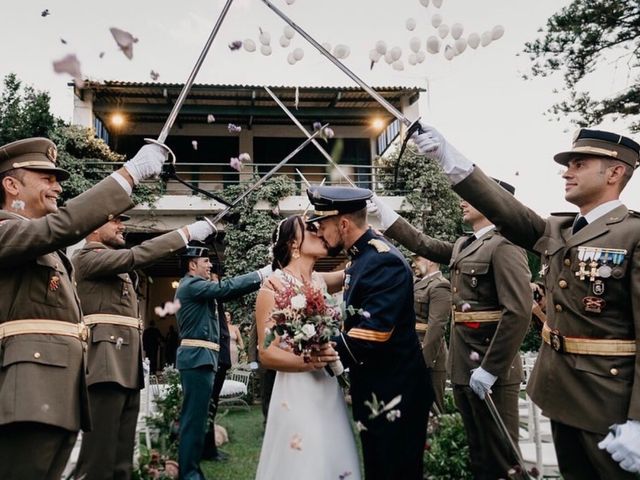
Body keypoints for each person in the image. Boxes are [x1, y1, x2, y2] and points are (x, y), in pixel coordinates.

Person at [412, 124, 640, 478]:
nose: (567, 171)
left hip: (609, 400)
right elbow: (503, 208)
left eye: (580, 164)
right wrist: (448, 158)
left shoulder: (633, 235)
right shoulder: (560, 230)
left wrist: (639, 420)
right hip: (562, 393)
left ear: (615, 172)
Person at [0, 137, 169, 479]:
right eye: (46, 178)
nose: (57, 187)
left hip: (56, 392)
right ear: (11, 184)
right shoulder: (7, 231)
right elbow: (61, 226)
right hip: (26, 394)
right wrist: (129, 174)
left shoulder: (48, 249)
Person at [371, 180, 532, 480]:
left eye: (472, 196)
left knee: (503, 460)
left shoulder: (505, 245)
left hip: (490, 370)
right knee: (480, 458)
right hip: (463, 368)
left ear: (494, 204)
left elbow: (519, 312)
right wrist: (387, 216)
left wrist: (491, 368)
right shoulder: (465, 244)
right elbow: (423, 244)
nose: (462, 200)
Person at [71, 212, 213, 479]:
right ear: (92, 227)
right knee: (98, 460)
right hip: (103, 365)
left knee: (122, 457)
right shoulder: (87, 257)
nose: (121, 225)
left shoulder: (111, 264)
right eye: (114, 221)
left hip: (125, 366)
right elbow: (136, 256)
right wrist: (185, 234)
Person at [307, 187, 433, 480]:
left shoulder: (381, 260)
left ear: (343, 224)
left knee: (394, 472)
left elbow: (374, 333)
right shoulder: (363, 255)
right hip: (379, 386)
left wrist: (320, 348)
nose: (321, 234)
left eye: (323, 226)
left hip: (395, 392)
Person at [255, 215, 361, 480]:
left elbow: (359, 270)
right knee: (304, 460)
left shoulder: (319, 282)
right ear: (293, 243)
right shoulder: (274, 286)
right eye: (310, 229)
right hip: (295, 390)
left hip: (326, 387)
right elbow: (266, 352)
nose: (318, 232)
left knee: (331, 453)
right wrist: (310, 361)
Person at [174, 242, 271, 480]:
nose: (210, 265)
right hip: (197, 360)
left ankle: (193, 469)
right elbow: (226, 288)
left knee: (197, 420)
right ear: (192, 264)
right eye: (205, 261)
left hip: (202, 360)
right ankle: (188, 473)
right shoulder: (192, 284)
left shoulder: (195, 287)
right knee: (192, 420)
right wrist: (262, 274)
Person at [412, 255, 450, 414]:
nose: (413, 264)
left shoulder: (440, 286)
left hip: (430, 358)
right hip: (413, 353)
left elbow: (436, 328)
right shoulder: (416, 283)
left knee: (433, 411)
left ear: (432, 260)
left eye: (417, 259)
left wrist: (423, 361)